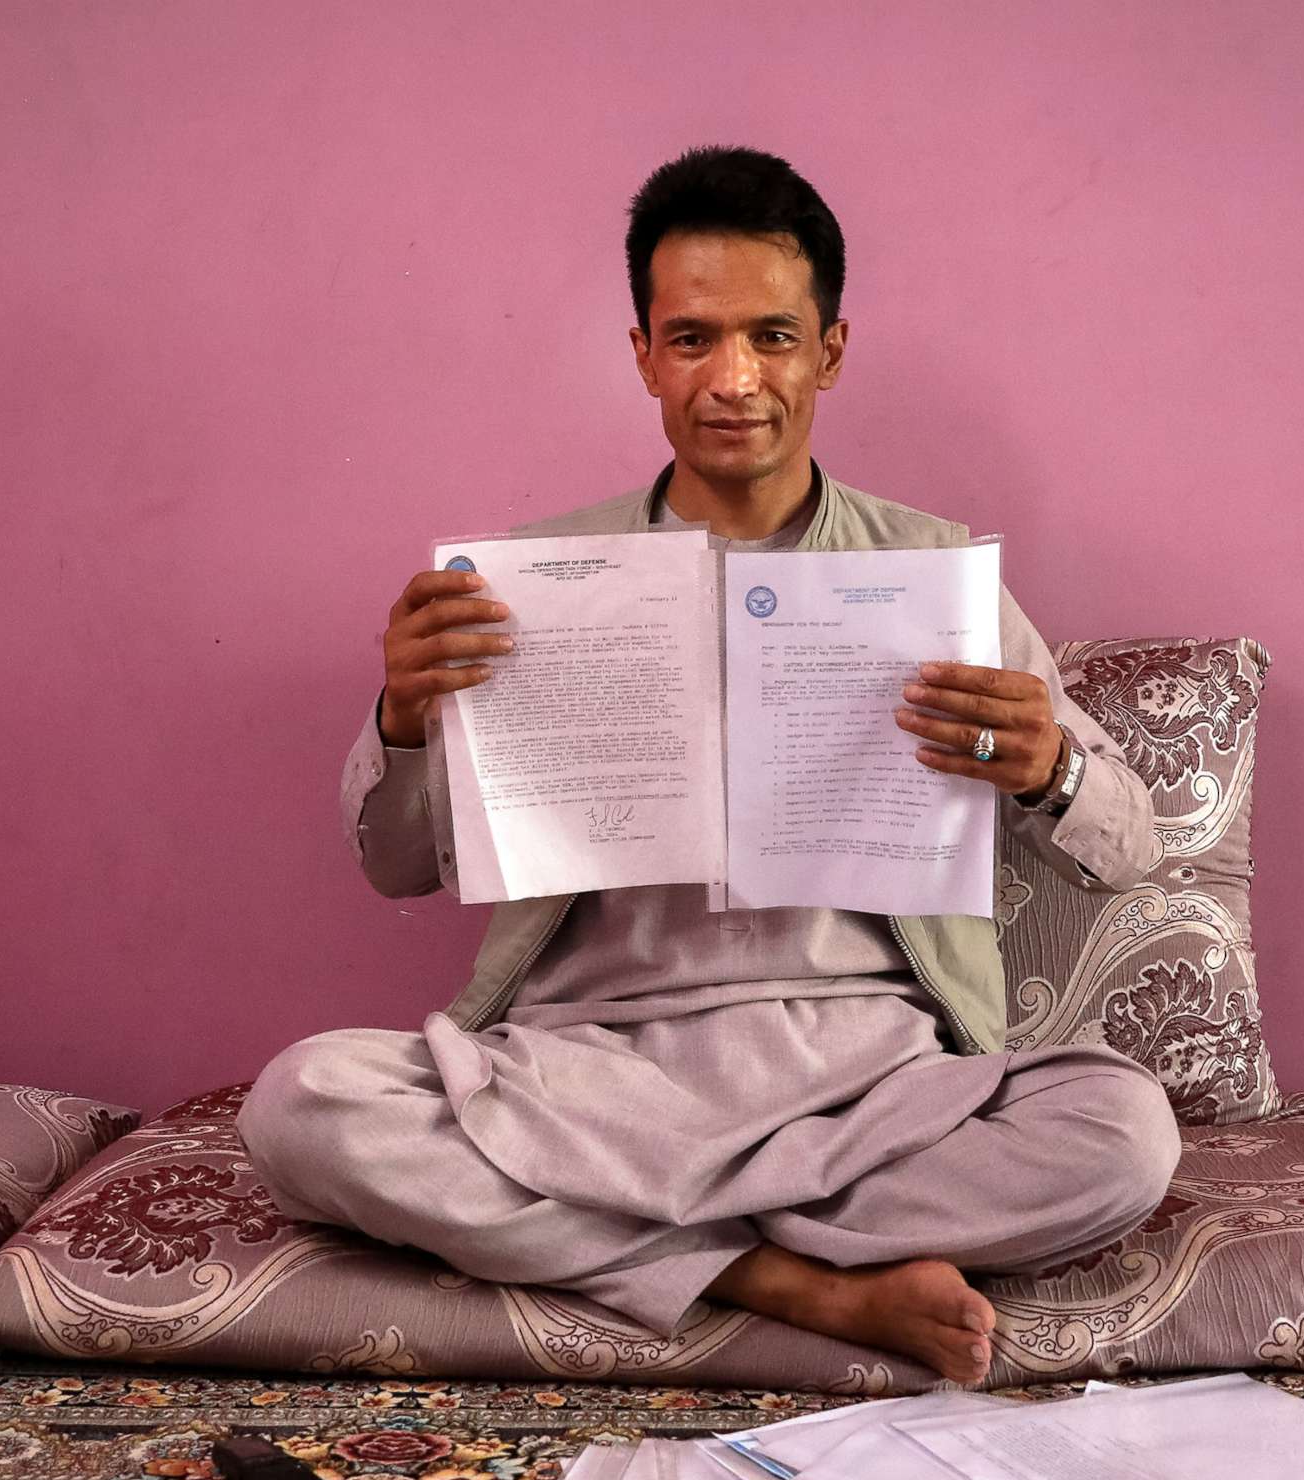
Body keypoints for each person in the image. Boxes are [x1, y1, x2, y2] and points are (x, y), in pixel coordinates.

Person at [239, 146, 1178, 1384]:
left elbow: (1134, 851)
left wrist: (1048, 762)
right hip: (589, 1064)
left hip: (868, 1075)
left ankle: (640, 1243)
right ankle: (792, 1284)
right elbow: (395, 868)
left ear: (830, 351)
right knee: (301, 1103)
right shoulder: (526, 581)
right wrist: (403, 713)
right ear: (642, 354)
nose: (734, 381)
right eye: (692, 340)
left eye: (773, 337)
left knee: (1123, 1133)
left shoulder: (935, 575)